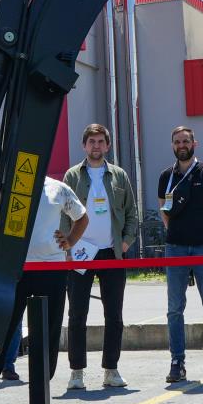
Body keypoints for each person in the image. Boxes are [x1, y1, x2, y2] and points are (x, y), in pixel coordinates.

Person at [62, 124, 137, 390]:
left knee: (114, 314)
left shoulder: (119, 175)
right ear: (84, 145)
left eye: (100, 141)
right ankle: (76, 372)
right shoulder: (72, 175)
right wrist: (67, 248)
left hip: (112, 252)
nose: (96, 146)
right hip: (80, 253)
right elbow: (63, 214)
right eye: (91, 141)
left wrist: (126, 242)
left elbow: (131, 212)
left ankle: (111, 370)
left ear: (108, 145)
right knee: (77, 314)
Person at [158, 125, 203, 384]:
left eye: (185, 141)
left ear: (194, 144)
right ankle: (177, 361)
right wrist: (181, 233)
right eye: (177, 141)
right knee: (174, 309)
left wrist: (201, 231)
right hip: (175, 248)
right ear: (172, 145)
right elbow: (164, 212)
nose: (181, 145)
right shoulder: (166, 176)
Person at [20, 175, 87, 393]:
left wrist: (70, 241)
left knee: (49, 329)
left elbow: (82, 218)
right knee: (5, 327)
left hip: (52, 267)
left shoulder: (58, 188)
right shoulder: (8, 182)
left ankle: (42, 388)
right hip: (16, 267)